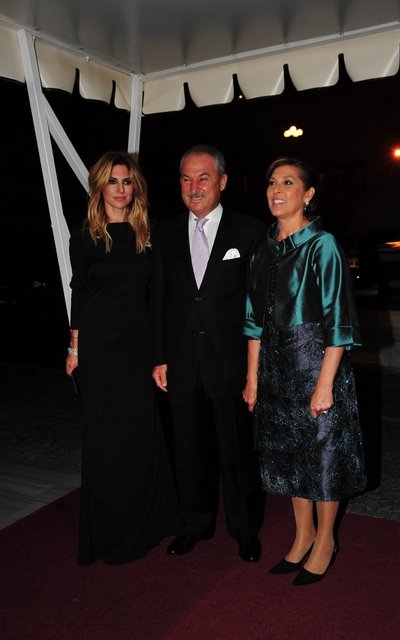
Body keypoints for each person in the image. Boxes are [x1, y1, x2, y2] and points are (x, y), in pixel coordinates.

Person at [243, 157, 366, 585]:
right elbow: (253, 321)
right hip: (276, 370)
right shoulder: (263, 248)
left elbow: (339, 322)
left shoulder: (322, 244)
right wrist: (252, 378)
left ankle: (326, 540)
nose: (276, 190)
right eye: (272, 182)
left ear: (308, 194)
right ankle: (303, 535)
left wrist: (325, 385)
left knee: (323, 457)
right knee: (291, 456)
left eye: (288, 182)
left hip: (316, 366)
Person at [65, 151, 181, 565]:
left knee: (138, 437)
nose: (120, 189)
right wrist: (74, 348)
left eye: (127, 181)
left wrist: (159, 356)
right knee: (105, 442)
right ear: (100, 186)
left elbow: (158, 300)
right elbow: (80, 293)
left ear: (136, 188)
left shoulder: (148, 234)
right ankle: (108, 532)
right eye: (113, 181)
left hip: (136, 351)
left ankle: (146, 524)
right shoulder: (85, 237)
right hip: (99, 350)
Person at [152, 145, 265, 562]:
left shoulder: (249, 231)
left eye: (203, 177)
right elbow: (158, 301)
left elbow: (258, 305)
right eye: (186, 178)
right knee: (188, 449)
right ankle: (193, 525)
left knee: (237, 451)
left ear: (222, 181)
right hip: (181, 362)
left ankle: (245, 529)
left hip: (230, 362)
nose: (194, 186)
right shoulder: (164, 233)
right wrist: (159, 356)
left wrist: (255, 370)